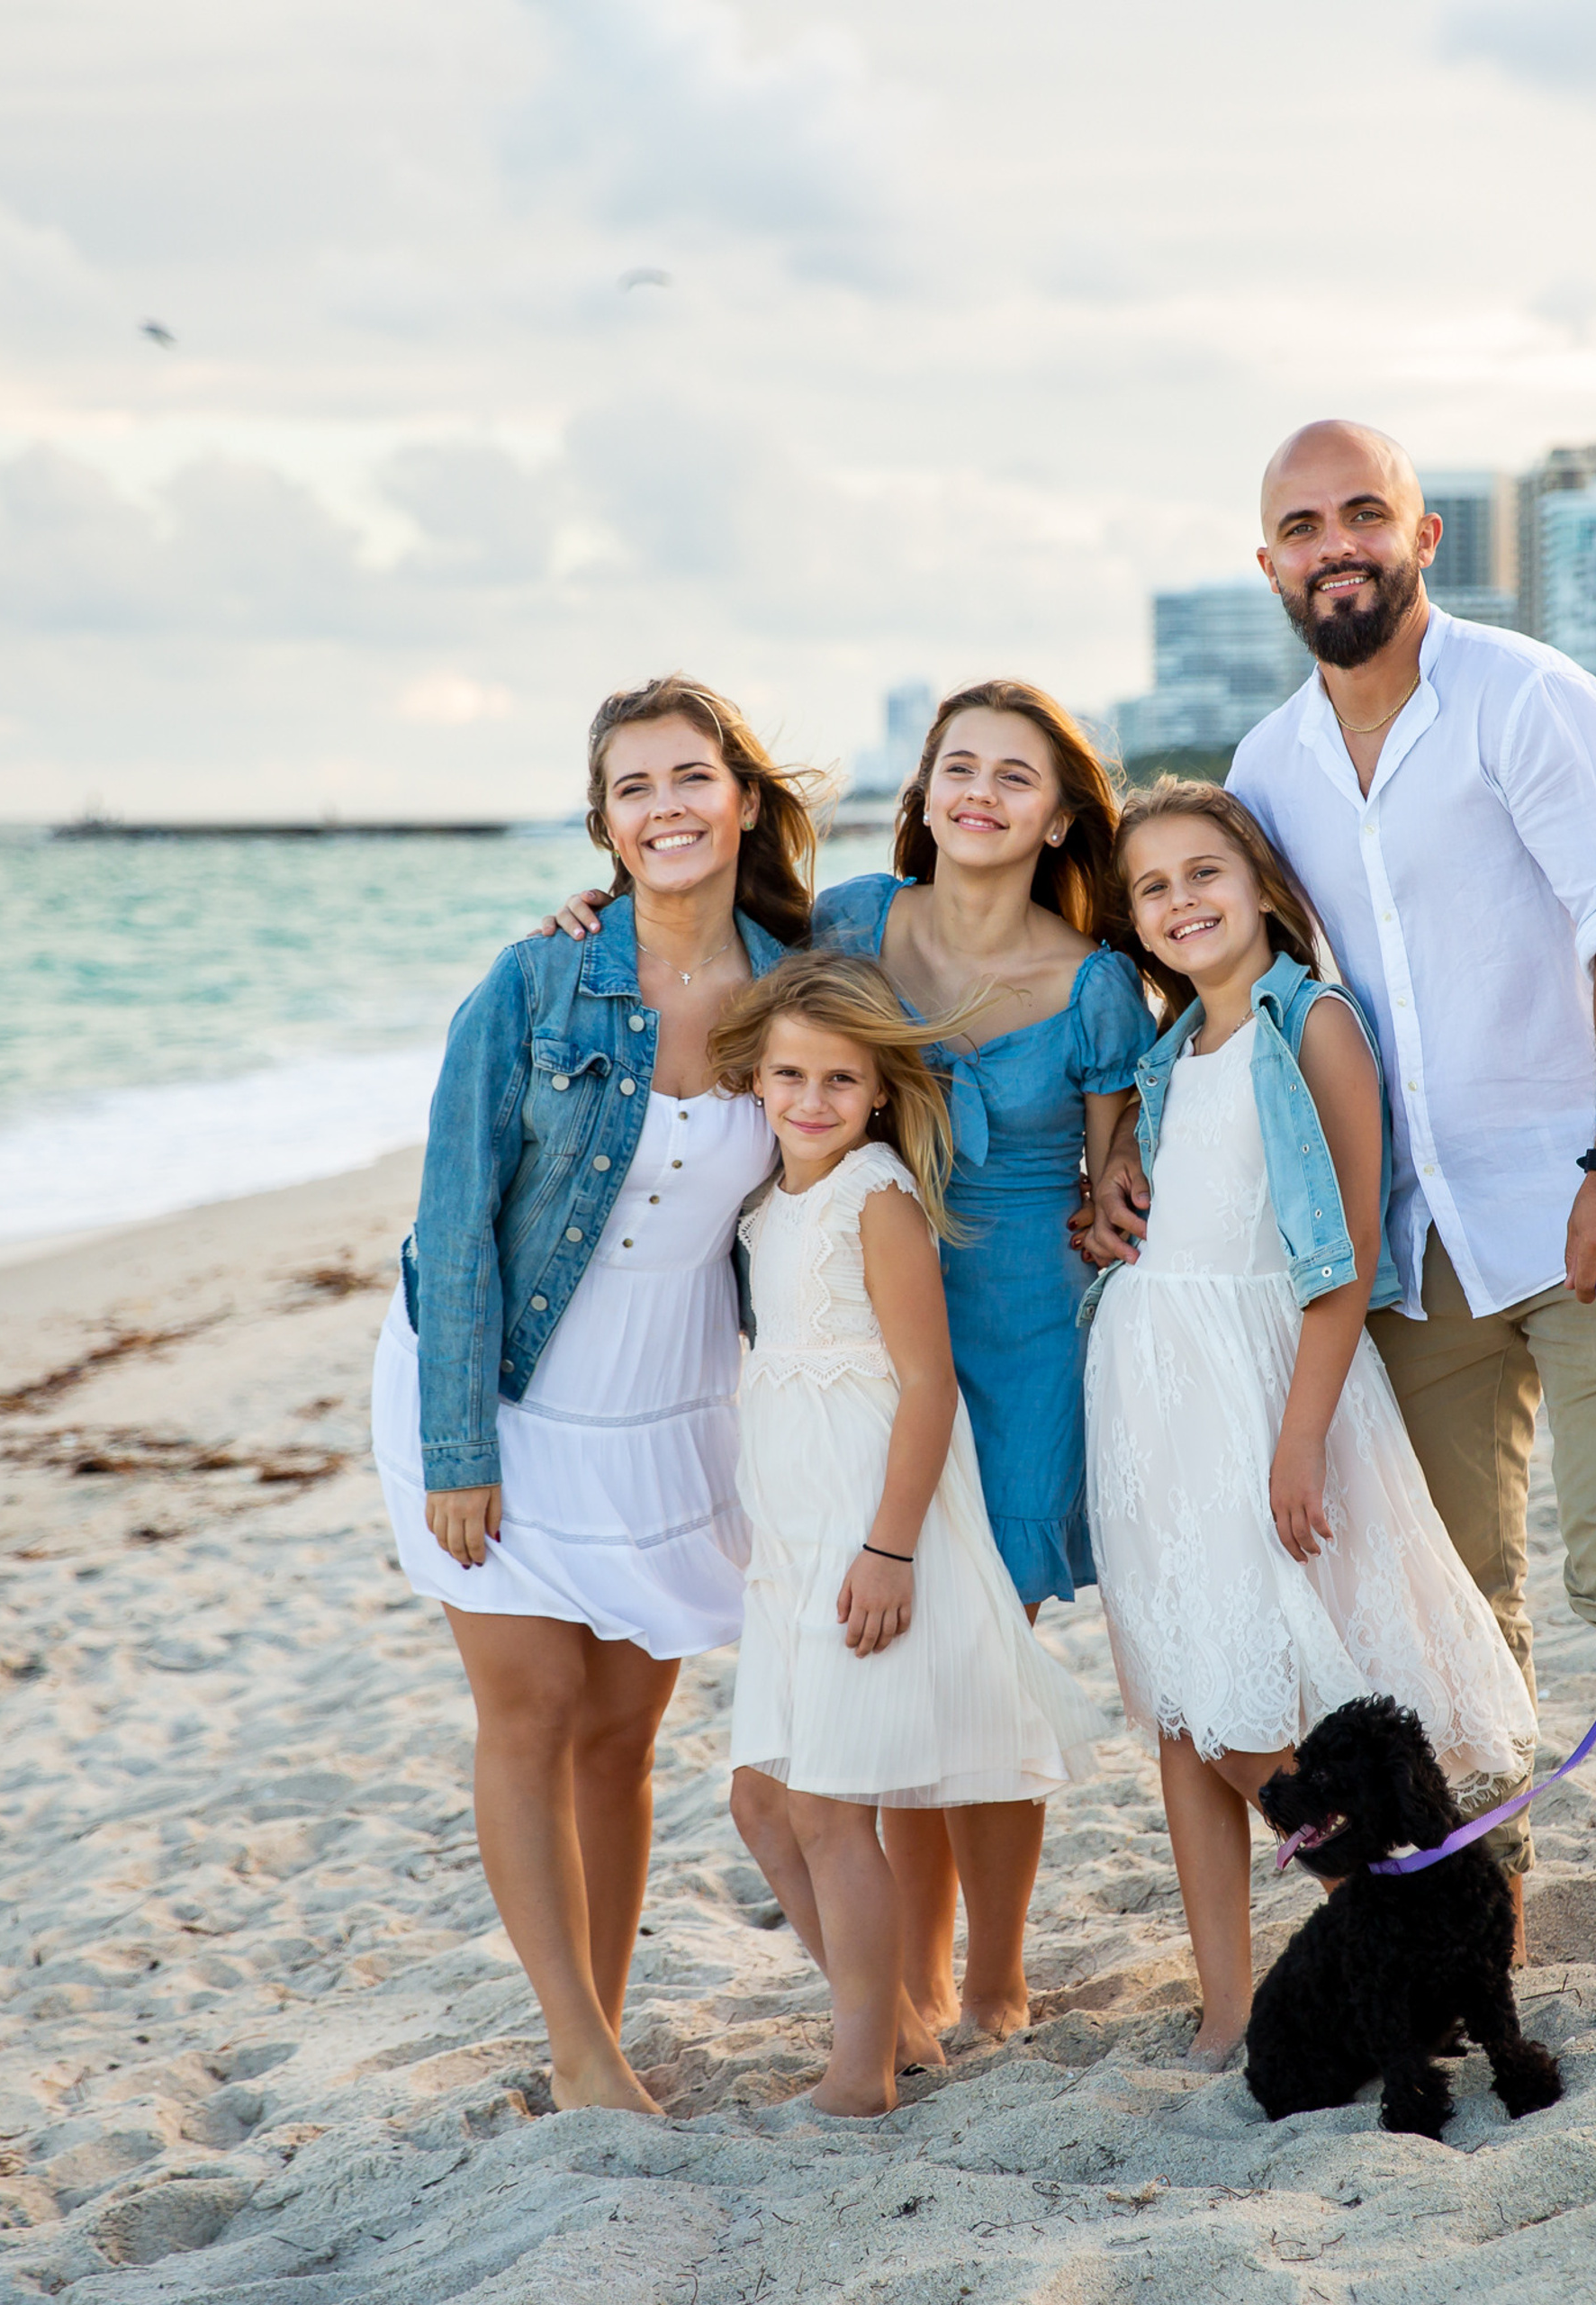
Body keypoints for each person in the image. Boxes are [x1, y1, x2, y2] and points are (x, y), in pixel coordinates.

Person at [1096, 419, 1596, 2017]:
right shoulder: (1267, 771)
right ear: (1269, 566)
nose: (1336, 545)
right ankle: (1485, 1936)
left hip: (1589, 1208)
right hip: (1411, 1250)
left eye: (1362, 514)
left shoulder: (1531, 701)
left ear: (1423, 534)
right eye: (1302, 526)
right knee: (1452, 1610)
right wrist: (1115, 1132)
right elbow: (1206, 968)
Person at [545, 677, 1155, 2048]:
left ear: (1061, 818)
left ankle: (992, 1977)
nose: (981, 794)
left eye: (1015, 776)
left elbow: (1116, 1169)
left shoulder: (1097, 980)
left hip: (1014, 1338)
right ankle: (916, 1983)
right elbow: (707, 961)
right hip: (851, 1335)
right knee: (890, 1671)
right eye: (958, 768)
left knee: (979, 1653)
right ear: (923, 792)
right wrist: (586, 918)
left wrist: (1122, 1190)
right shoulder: (853, 926)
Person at [371, 673, 816, 2112]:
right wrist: (457, 1445)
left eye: (691, 778)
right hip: (495, 1384)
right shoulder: (535, 981)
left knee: (624, 1733)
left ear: (742, 799)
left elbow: (961, 929)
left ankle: (602, 2034)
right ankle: (575, 2046)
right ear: (604, 826)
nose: (667, 807)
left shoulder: (805, 978)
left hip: (671, 1401)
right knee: (534, 1708)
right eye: (635, 788)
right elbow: (452, 1221)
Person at [1082, 781, 1536, 2069]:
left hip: (1262, 1384)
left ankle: (1397, 1928)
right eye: (1153, 887)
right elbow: (1151, 1206)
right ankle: (1226, 2004)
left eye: (1204, 872)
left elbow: (1337, 1263)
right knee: (1183, 1702)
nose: (1181, 902)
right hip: (1154, 1399)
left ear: (1263, 884)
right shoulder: (1169, 1057)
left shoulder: (1314, 1023)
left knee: (1249, 1717)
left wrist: (1297, 1436)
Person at [712, 954, 1107, 2115]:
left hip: (865, 1524)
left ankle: (861, 2073)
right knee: (760, 1799)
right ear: (756, 1079)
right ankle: (888, 2020)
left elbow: (927, 1386)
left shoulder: (874, 1195)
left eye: (841, 1078)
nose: (812, 1099)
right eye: (790, 1074)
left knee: (831, 1804)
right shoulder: (763, 1203)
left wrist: (888, 1548)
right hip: (790, 1528)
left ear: (881, 1090)